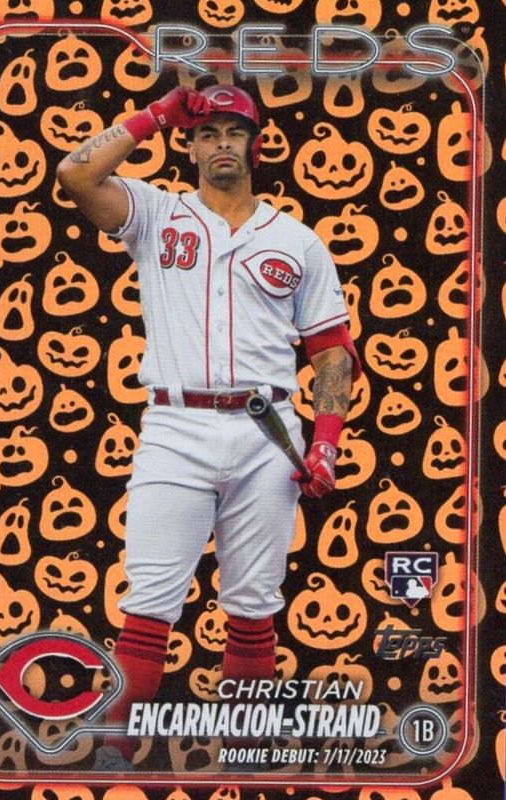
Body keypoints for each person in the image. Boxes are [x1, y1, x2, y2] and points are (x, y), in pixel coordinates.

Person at [57, 84, 361, 773]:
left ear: (254, 145)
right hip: (175, 424)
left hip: (267, 429)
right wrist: (154, 116)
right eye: (207, 133)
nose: (222, 143)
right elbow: (75, 173)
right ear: (190, 147)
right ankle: (115, 752)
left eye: (234, 132)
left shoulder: (297, 240)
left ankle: (246, 751)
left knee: (254, 601)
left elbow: (330, 352)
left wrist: (325, 441)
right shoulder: (155, 212)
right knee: (149, 600)